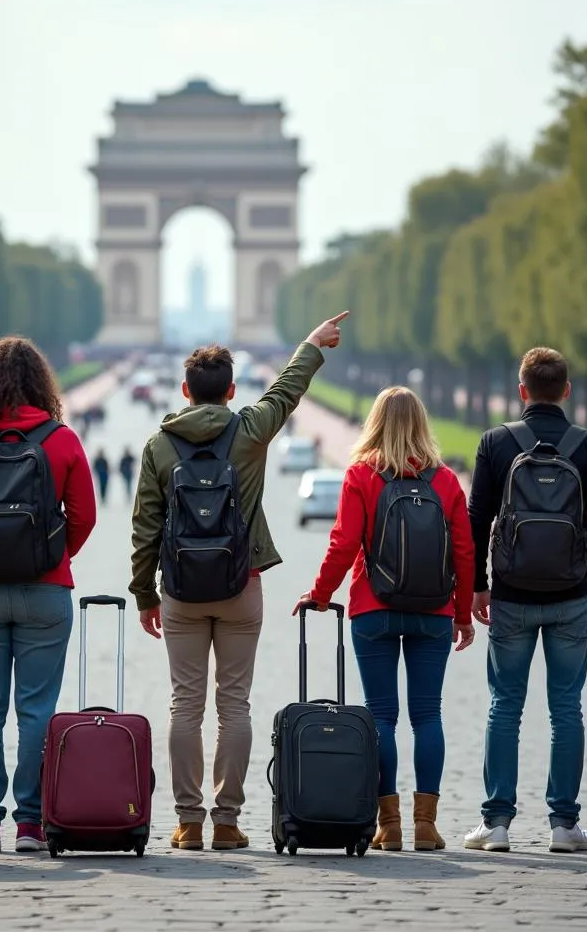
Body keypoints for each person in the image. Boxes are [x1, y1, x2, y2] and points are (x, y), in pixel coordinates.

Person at [130, 312, 348, 851]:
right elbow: (285, 393)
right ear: (230, 390)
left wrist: (144, 595)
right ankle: (226, 821)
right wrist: (310, 344)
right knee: (235, 705)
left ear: (184, 391)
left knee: (185, 705)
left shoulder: (159, 447)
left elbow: (145, 529)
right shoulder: (249, 431)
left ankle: (187, 822)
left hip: (179, 591)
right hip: (240, 584)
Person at [465, 346, 587, 854]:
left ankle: (497, 822)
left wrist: (476, 586)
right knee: (566, 709)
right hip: (571, 594)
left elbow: (477, 520)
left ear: (521, 390)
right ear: (566, 391)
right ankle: (564, 825)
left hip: (509, 594)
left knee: (505, 706)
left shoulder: (497, 443)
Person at [294, 386, 475, 852]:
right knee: (428, 714)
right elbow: (464, 552)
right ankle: (427, 825)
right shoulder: (446, 481)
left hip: (373, 607)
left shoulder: (361, 474)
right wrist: (462, 614)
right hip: (433, 612)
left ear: (374, 422)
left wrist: (320, 595)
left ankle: (388, 824)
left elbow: (344, 543)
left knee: (382, 717)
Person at [0, 336, 96, 854]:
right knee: (37, 710)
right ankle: (29, 822)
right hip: (46, 593)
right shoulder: (62, 440)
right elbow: (85, 516)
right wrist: (51, 555)